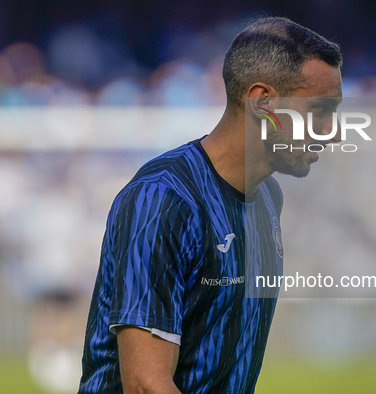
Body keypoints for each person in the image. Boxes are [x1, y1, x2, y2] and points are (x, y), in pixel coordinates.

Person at [78, 16, 343, 394]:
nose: (333, 131)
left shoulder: (268, 199)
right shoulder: (163, 199)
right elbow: (145, 384)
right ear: (262, 102)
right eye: (318, 111)